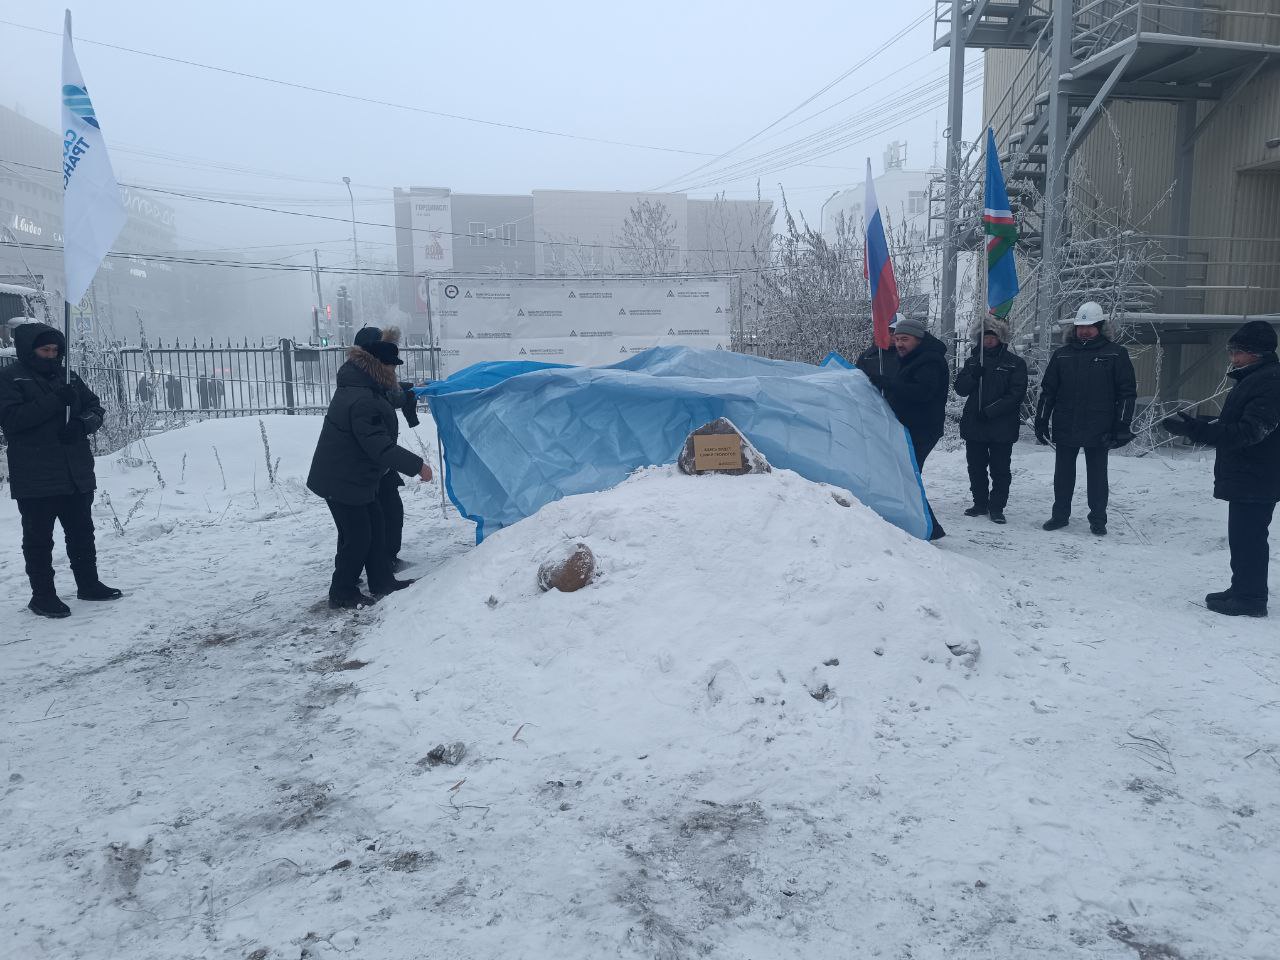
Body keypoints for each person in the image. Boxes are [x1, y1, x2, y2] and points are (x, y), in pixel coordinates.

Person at [0, 322, 123, 618]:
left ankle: (88, 584)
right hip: (36, 474)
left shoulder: (67, 376)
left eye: (56, 350)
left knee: (82, 532)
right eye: (45, 350)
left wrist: (82, 424)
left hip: (75, 471)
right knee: (40, 539)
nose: (52, 355)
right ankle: (42, 596)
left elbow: (96, 408)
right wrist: (55, 400)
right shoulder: (9, 379)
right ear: (30, 351)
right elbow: (13, 421)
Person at [1163, 320, 1280, 617]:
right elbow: (1238, 424)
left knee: (1249, 538)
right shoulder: (1255, 379)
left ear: (1258, 353)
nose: (1233, 357)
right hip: (1250, 475)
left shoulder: (1270, 382)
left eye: (1238, 352)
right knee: (1242, 537)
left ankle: (1251, 599)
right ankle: (1242, 588)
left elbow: (1250, 432)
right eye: (1232, 351)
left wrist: (1200, 433)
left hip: (1258, 476)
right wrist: (1201, 424)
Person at [307, 337, 431, 609]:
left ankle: (381, 580)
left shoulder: (364, 386)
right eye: (392, 366)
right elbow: (379, 447)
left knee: (376, 526)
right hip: (341, 480)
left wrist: (413, 390)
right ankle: (342, 592)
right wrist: (417, 466)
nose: (395, 372)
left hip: (355, 476)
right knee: (358, 536)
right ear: (380, 367)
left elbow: (392, 397)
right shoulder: (362, 398)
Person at [1034, 301, 1136, 536]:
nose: (1084, 331)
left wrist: (1122, 425)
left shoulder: (1115, 354)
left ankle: (1098, 519)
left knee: (1098, 476)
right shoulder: (1062, 355)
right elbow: (1048, 391)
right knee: (1063, 475)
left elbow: (1127, 393)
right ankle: (1060, 516)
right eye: (1080, 327)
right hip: (1066, 423)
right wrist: (1041, 420)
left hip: (1100, 427)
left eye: (1089, 327)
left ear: (1100, 327)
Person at [866, 316, 950, 541]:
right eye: (897, 339)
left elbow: (922, 392)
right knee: (907, 475)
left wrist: (888, 383)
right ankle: (925, 525)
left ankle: (929, 528)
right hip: (912, 427)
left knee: (908, 476)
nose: (899, 344)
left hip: (922, 429)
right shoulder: (914, 357)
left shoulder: (929, 361)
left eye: (905, 339)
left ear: (919, 339)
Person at [354, 325, 420, 571]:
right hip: (369, 462)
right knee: (380, 515)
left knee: (383, 513)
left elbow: (390, 393)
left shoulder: (365, 376)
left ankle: (381, 560)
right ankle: (379, 564)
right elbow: (386, 397)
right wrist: (417, 466)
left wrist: (406, 388)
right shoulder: (364, 386)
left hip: (376, 462)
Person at [953, 318, 1028, 524]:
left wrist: (991, 411)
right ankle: (980, 503)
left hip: (1001, 427)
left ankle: (997, 507)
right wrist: (973, 376)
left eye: (992, 337)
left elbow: (1016, 395)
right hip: (974, 425)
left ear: (1000, 338)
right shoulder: (973, 361)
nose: (988, 341)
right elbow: (960, 389)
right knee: (975, 467)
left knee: (1000, 469)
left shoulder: (1015, 363)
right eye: (984, 337)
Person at [854, 314, 901, 382]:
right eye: (888, 331)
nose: (892, 336)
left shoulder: (910, 355)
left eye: (895, 332)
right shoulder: (867, 357)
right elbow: (858, 382)